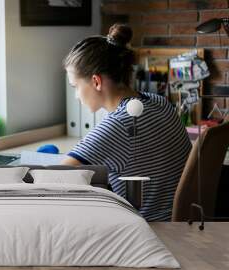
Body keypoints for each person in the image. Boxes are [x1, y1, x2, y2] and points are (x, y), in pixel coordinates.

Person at [61, 23, 192, 221]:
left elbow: (56, 177)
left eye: (75, 86)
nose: (76, 96)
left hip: (148, 231)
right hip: (180, 224)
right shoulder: (160, 102)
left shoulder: (118, 125)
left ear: (96, 82)